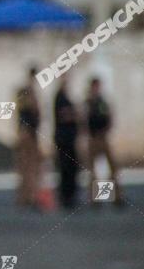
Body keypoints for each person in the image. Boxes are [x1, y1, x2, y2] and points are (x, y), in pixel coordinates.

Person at [86, 78, 123, 206]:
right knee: (93, 171)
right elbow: (84, 120)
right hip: (93, 138)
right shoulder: (88, 102)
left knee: (112, 168)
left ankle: (116, 197)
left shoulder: (102, 102)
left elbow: (109, 116)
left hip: (103, 137)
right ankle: (96, 199)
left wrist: (107, 130)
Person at [15, 67, 43, 208]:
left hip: (29, 132)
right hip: (27, 133)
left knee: (28, 166)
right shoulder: (26, 92)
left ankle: (25, 197)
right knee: (29, 166)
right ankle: (29, 197)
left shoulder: (29, 92)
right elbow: (26, 111)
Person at [53, 73, 80, 209]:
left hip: (69, 138)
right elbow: (63, 115)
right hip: (64, 139)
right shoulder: (60, 97)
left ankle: (70, 196)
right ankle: (66, 197)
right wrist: (75, 114)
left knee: (71, 168)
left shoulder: (65, 96)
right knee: (66, 168)